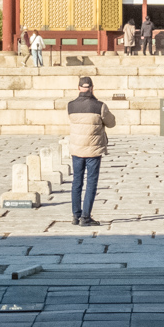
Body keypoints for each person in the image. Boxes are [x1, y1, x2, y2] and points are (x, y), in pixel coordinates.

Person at [68, 75, 116, 226]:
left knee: (77, 181)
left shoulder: (71, 105)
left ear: (78, 88)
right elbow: (111, 123)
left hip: (76, 148)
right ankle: (86, 217)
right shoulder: (99, 106)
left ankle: (76, 215)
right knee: (91, 182)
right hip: (93, 149)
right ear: (92, 88)